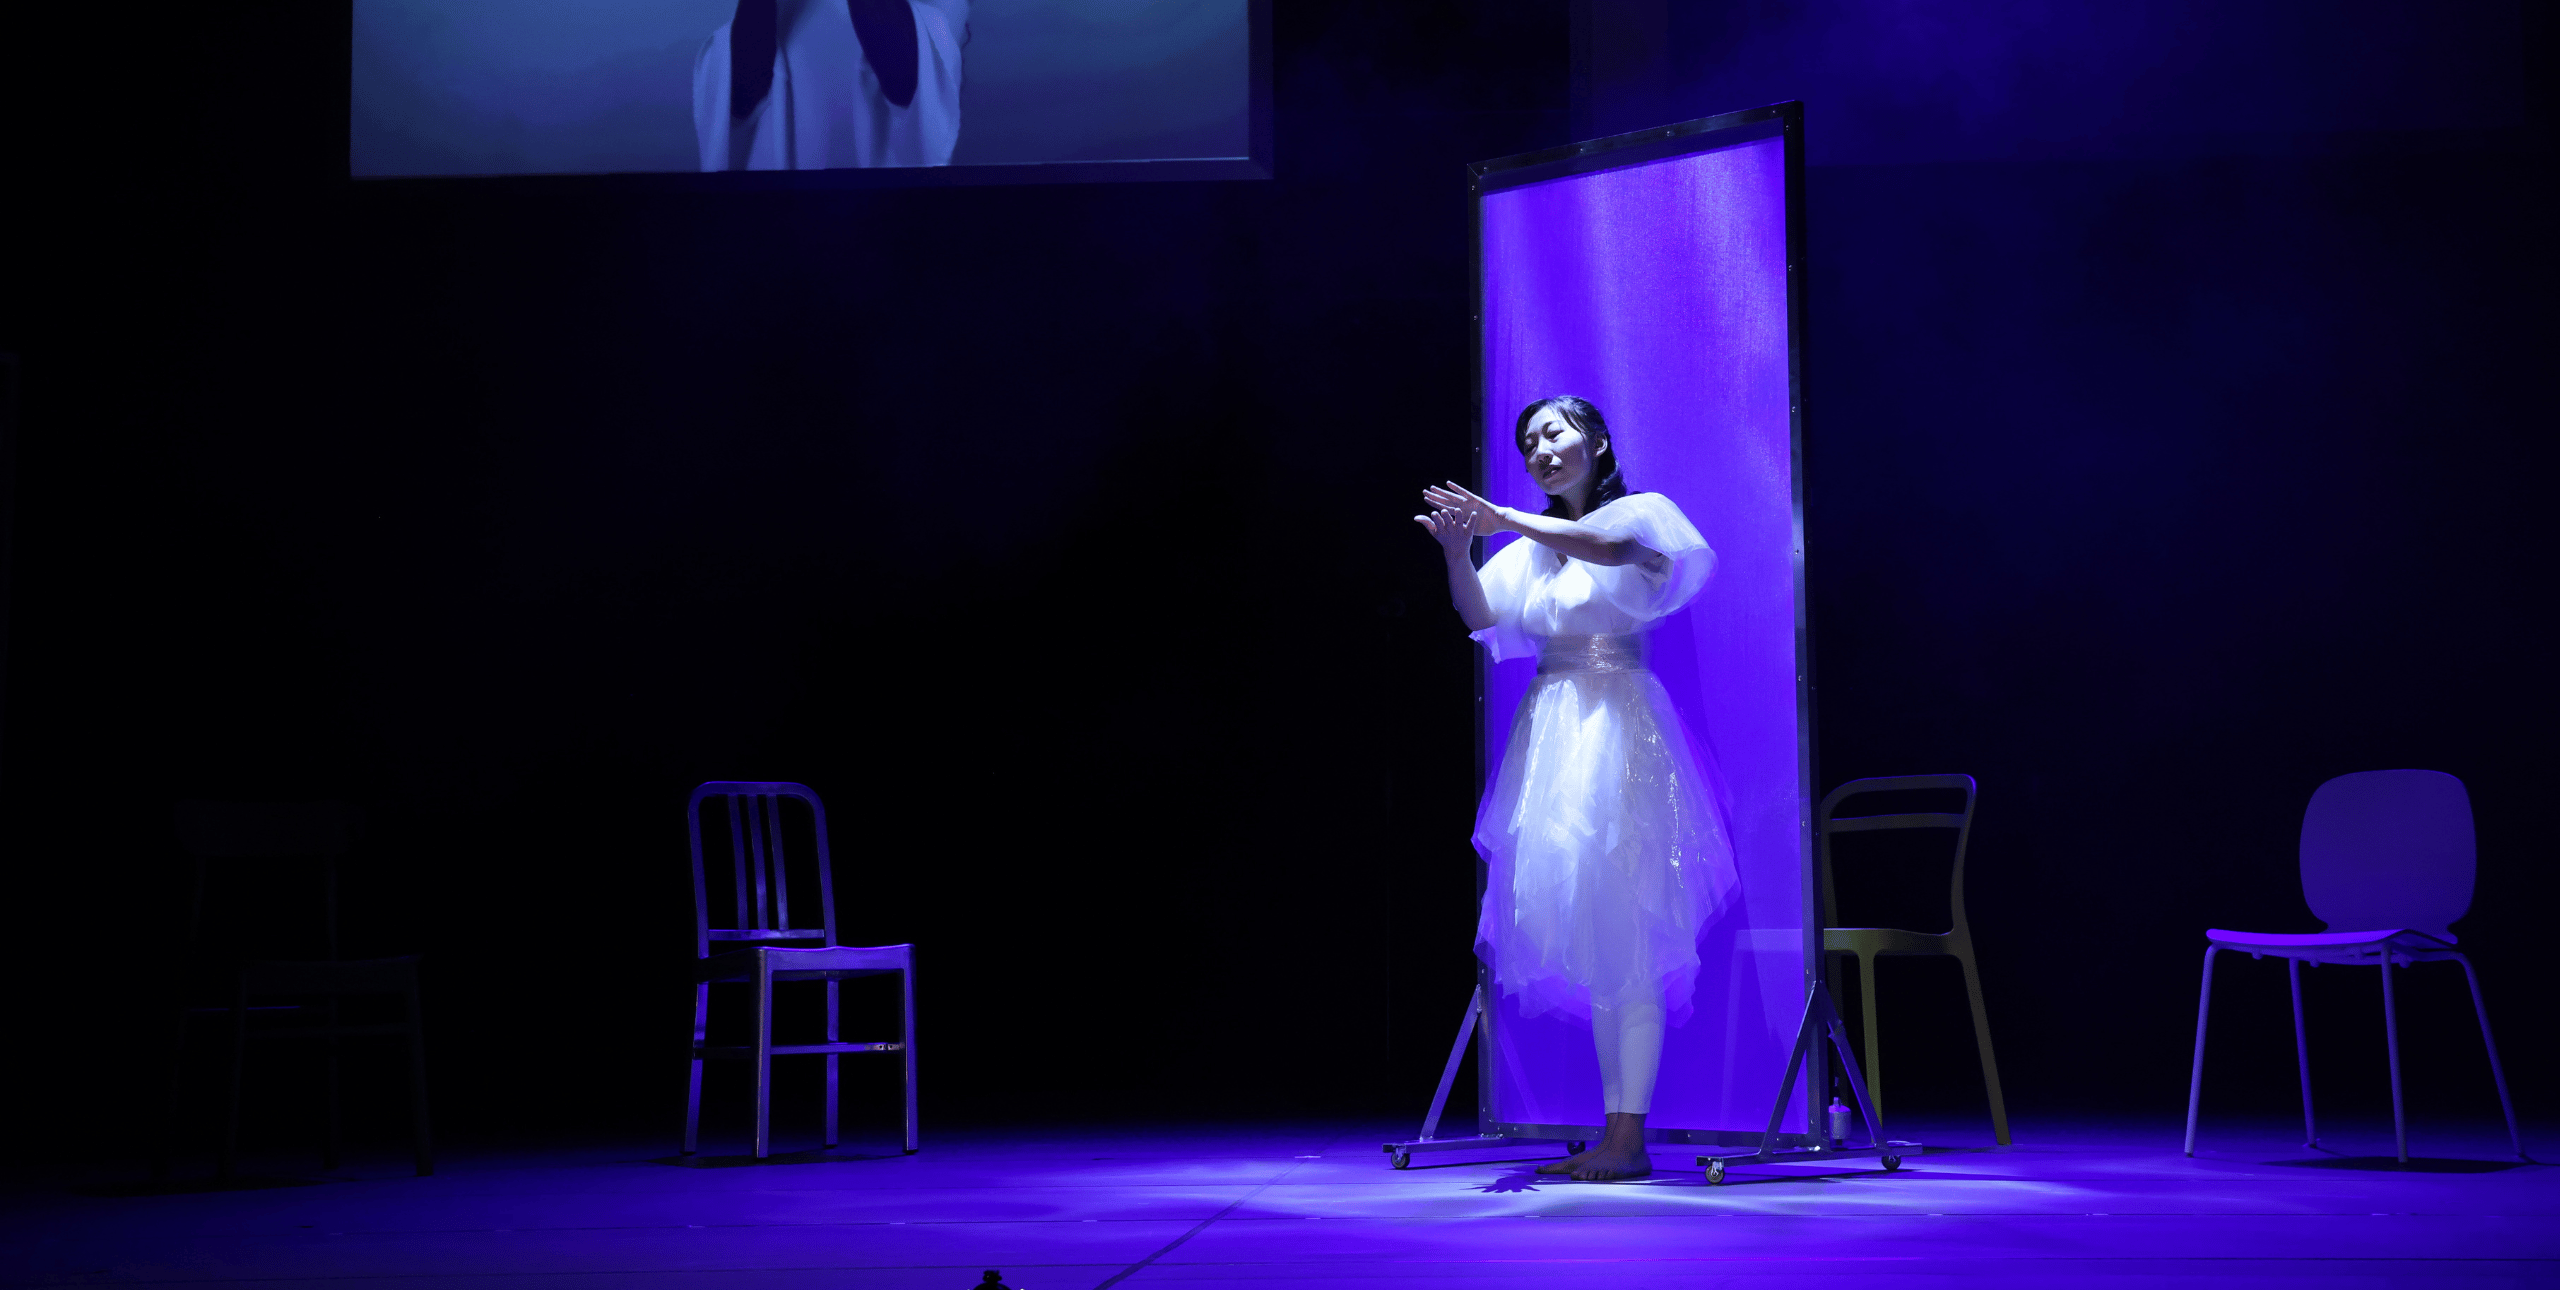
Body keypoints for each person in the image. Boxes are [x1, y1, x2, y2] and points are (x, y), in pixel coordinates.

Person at [1416, 395, 1739, 1181]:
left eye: (1554, 433)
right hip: (1556, 734)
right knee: (1601, 943)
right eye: (1528, 441)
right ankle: (1616, 1138)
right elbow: (1483, 615)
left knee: (1631, 931)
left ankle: (1630, 1140)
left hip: (1620, 729)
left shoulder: (1641, 512)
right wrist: (1461, 552)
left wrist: (1503, 519)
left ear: (1595, 439)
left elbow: (1608, 545)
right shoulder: (1531, 545)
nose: (1540, 449)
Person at [693, 0, 970, 170]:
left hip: (886, 230)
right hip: (775, 233)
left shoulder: (936, 13)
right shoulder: (733, 37)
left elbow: (911, 82)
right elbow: (740, 94)